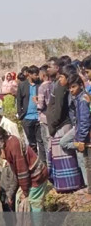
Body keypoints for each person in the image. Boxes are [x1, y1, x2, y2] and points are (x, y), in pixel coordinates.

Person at [0, 126, 50, 226]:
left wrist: (25, 192)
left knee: (33, 207)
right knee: (20, 203)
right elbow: (17, 172)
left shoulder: (13, 145)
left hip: (36, 176)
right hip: (30, 176)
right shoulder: (8, 143)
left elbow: (22, 171)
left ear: (0, 139)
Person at [47, 62, 84, 193]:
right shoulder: (61, 87)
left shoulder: (62, 89)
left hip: (63, 125)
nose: (60, 79)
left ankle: (71, 184)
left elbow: (58, 110)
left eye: (62, 77)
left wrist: (52, 126)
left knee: (68, 155)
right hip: (65, 125)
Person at [59, 74, 91, 191]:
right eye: (70, 87)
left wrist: (81, 140)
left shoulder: (83, 99)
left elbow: (85, 121)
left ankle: (88, 187)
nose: (71, 90)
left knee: (85, 163)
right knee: (82, 160)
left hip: (83, 135)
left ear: (81, 85)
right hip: (78, 133)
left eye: (74, 87)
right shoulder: (77, 98)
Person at [17, 66, 45, 165]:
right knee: (31, 142)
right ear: (29, 74)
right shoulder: (22, 85)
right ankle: (34, 162)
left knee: (40, 141)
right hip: (27, 118)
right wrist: (21, 115)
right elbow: (19, 100)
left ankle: (43, 163)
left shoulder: (40, 85)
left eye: (37, 74)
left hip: (38, 117)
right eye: (35, 74)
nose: (37, 76)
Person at [35, 65, 53, 157]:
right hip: (53, 117)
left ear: (43, 74)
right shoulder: (53, 84)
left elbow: (41, 105)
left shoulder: (42, 87)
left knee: (47, 144)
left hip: (44, 118)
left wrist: (36, 102)